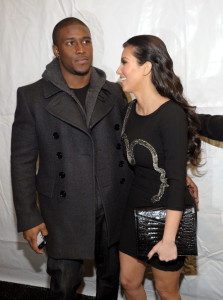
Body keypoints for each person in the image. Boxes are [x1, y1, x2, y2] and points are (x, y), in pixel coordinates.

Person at [11, 17, 132, 300]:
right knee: (64, 285)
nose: (81, 49)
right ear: (56, 50)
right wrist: (29, 217)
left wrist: (169, 173)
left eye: (86, 41)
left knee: (110, 282)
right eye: (71, 42)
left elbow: (132, 143)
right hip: (63, 210)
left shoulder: (113, 92)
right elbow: (22, 161)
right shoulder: (32, 96)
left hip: (113, 204)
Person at [116, 35, 201, 300]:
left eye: (124, 62)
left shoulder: (171, 114)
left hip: (168, 215)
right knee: (128, 282)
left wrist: (168, 239)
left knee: (165, 290)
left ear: (146, 68)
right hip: (134, 207)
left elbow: (176, 181)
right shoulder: (129, 110)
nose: (118, 69)